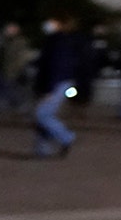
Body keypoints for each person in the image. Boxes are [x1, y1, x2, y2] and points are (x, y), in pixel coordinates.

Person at [32, 16, 87, 157]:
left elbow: (56, 66)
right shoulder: (57, 40)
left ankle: (66, 137)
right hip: (56, 82)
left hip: (56, 83)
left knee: (42, 115)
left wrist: (49, 89)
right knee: (43, 116)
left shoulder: (59, 42)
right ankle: (42, 149)